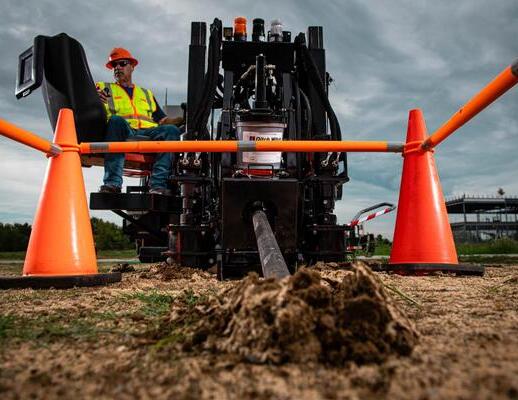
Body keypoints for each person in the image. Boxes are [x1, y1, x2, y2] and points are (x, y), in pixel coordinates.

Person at [96, 47, 182, 195]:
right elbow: (89, 102)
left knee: (171, 130)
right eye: (114, 65)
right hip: (124, 129)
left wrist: (184, 118)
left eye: (122, 63)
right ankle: (112, 184)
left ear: (132, 67)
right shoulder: (105, 89)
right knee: (116, 121)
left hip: (149, 132)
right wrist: (93, 98)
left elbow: (163, 120)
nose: (117, 68)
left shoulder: (146, 94)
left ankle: (157, 185)